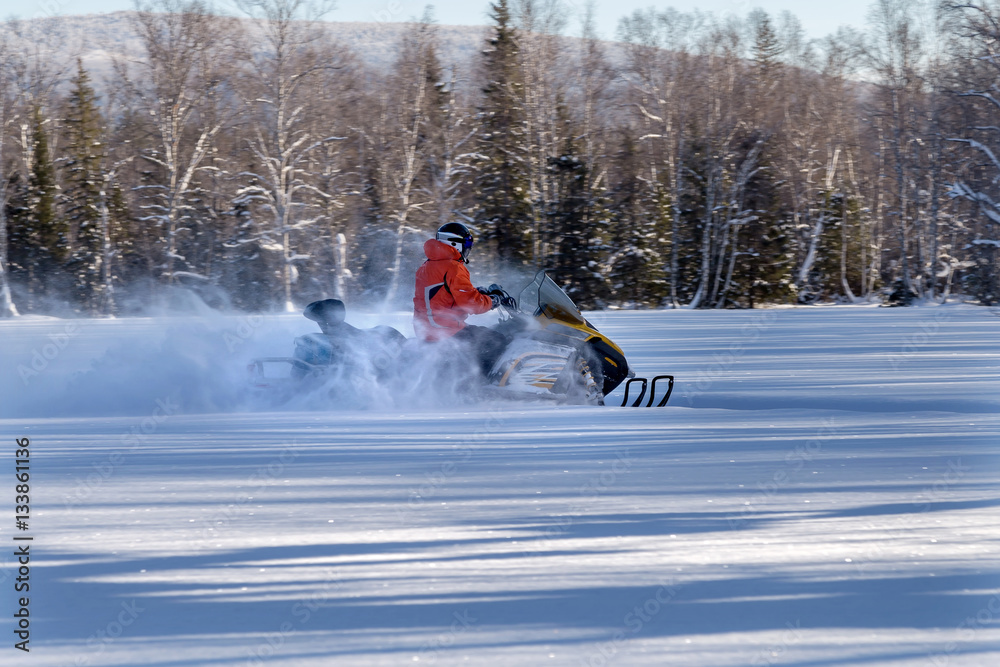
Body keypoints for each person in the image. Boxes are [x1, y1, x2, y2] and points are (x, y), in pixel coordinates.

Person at [413, 222, 509, 375]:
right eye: (467, 243)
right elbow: (472, 305)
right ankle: (483, 386)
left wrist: (478, 292)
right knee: (496, 340)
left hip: (427, 329)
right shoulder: (453, 267)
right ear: (454, 243)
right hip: (446, 331)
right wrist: (494, 300)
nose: (468, 248)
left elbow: (442, 296)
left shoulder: (426, 266)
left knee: (483, 336)